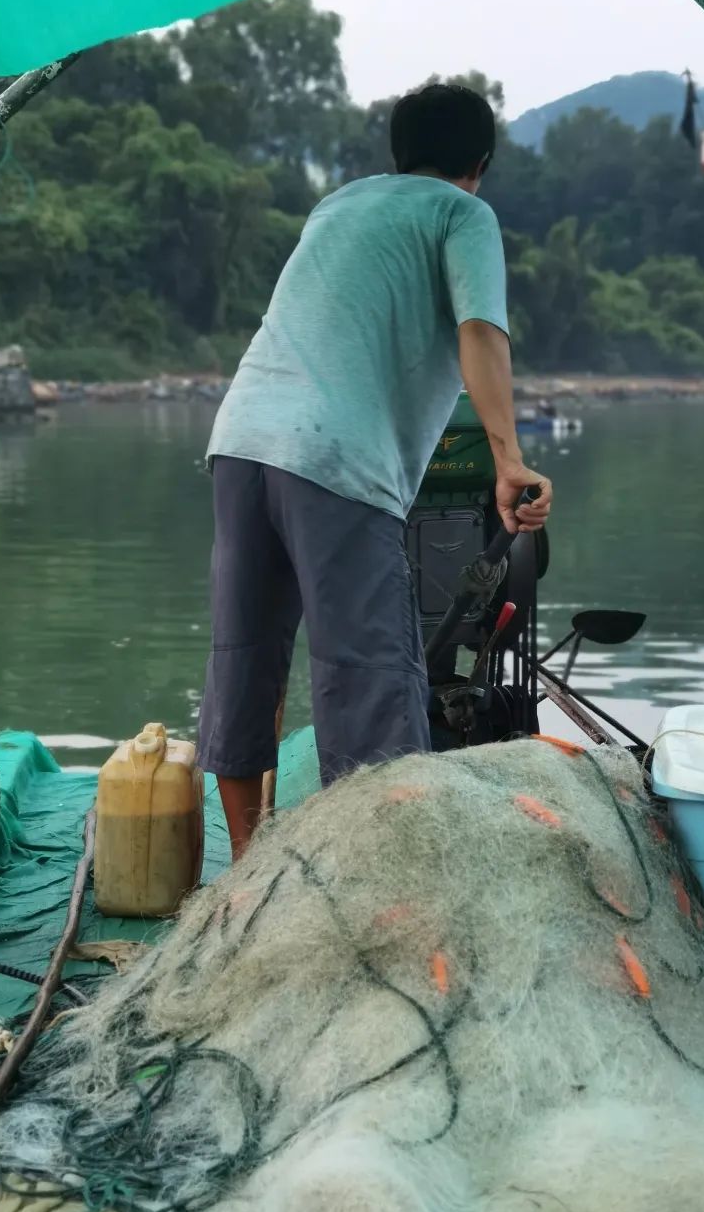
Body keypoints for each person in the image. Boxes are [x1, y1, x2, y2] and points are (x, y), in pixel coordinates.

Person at [197, 83, 552, 859]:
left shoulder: (340, 205)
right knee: (367, 680)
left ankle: (248, 873)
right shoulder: (463, 213)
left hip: (241, 439)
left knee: (243, 662)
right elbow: (481, 334)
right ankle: (377, 887)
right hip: (334, 460)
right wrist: (509, 461)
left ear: (398, 155)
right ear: (478, 164)